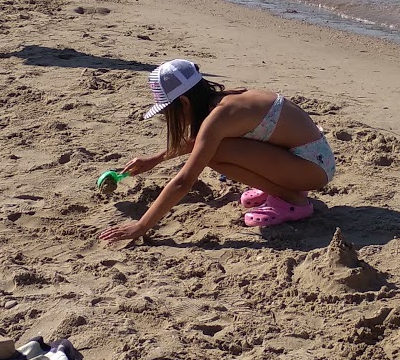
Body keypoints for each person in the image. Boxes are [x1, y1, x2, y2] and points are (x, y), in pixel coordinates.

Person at [100, 59, 335, 243]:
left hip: (312, 170)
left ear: (183, 103)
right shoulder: (226, 100)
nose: (167, 118)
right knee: (214, 148)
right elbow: (199, 141)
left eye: (166, 112)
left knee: (213, 153)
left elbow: (184, 181)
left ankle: (292, 199)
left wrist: (141, 226)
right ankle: (283, 188)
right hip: (309, 160)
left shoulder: (218, 119)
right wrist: (156, 159)